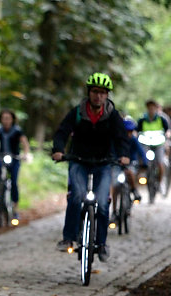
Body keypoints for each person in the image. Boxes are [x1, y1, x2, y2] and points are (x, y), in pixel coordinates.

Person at [52, 72, 129, 262]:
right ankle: (68, 238)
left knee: (103, 204)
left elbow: (121, 138)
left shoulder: (112, 115)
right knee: (76, 196)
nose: (99, 96)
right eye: (95, 91)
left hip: (103, 164)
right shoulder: (77, 112)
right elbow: (62, 132)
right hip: (78, 161)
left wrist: (124, 155)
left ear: (107, 95)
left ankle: (101, 244)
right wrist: (58, 150)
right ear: (89, 92)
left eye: (103, 93)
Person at [0, 109, 30, 220]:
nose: (6, 120)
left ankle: (15, 208)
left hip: (15, 158)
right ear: (1, 119)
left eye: (8, 118)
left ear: (12, 119)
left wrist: (25, 154)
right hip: (1, 156)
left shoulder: (17, 131)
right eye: (4, 118)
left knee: (14, 181)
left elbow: (25, 143)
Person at [110, 116, 147, 222]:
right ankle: (114, 212)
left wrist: (144, 163)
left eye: (130, 131)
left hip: (131, 164)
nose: (128, 134)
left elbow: (141, 152)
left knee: (130, 172)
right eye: (126, 131)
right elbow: (110, 151)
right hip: (116, 164)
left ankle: (134, 190)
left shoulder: (134, 140)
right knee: (115, 186)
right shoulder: (116, 140)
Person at [136, 99, 169, 189]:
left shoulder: (161, 119)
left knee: (160, 162)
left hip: (159, 144)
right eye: (149, 107)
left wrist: (167, 135)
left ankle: (160, 182)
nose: (151, 109)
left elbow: (167, 130)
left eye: (153, 107)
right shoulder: (142, 119)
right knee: (143, 160)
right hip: (146, 143)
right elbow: (137, 131)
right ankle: (142, 177)